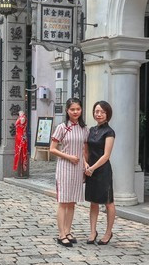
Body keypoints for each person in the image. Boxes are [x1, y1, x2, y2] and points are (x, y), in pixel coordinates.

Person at [49, 98, 88, 247]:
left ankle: (68, 230)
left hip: (78, 169)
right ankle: (61, 234)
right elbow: (52, 149)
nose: (75, 112)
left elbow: (84, 151)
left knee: (72, 202)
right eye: (72, 109)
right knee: (63, 202)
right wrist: (69, 157)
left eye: (78, 109)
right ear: (67, 111)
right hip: (64, 167)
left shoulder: (84, 129)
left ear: (81, 110)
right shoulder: (62, 127)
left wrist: (85, 166)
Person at [84, 101, 116, 245]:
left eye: (102, 112)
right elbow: (86, 150)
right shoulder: (91, 130)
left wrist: (92, 168)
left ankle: (108, 232)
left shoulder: (109, 132)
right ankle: (92, 231)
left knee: (108, 202)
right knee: (93, 202)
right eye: (97, 111)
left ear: (108, 114)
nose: (99, 114)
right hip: (90, 170)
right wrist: (86, 165)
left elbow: (106, 155)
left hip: (102, 170)